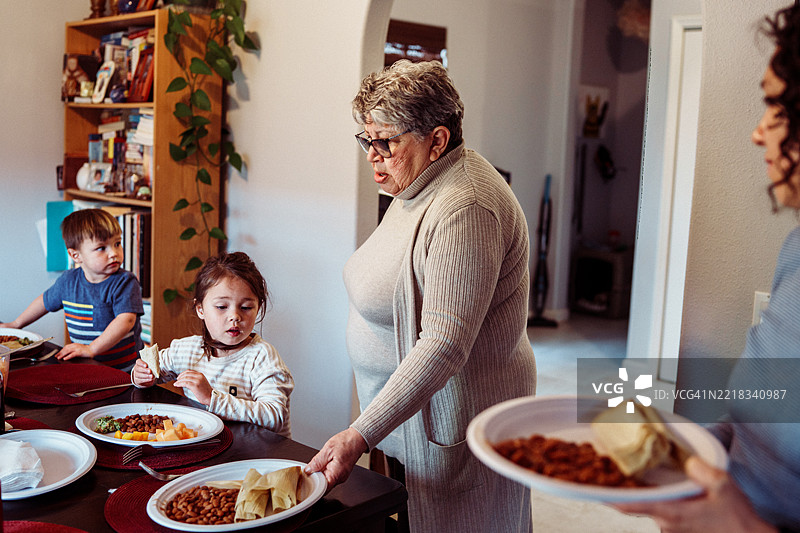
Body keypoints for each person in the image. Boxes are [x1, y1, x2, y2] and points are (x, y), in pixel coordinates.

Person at [305, 60, 537, 533]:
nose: (372, 156)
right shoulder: (418, 185)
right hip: (405, 425)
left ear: (437, 141)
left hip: (454, 424)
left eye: (386, 142)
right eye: (367, 139)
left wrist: (360, 433)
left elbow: (443, 344)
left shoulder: (466, 206)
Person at [615, 4, 800, 532]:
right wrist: (679, 457)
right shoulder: (795, 249)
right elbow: (748, 425)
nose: (758, 134)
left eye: (776, 108)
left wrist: (737, 525)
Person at [131, 252, 294, 437]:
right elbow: (152, 371)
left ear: (258, 308)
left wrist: (211, 398)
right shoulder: (187, 350)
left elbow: (274, 416)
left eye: (246, 307)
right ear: (200, 309)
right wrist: (140, 376)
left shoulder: (262, 357)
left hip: (257, 449)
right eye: (222, 307)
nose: (235, 316)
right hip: (211, 443)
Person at [0, 208, 143, 370]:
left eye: (117, 244)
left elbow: (126, 321)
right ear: (76, 256)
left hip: (125, 371)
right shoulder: (68, 281)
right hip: (88, 366)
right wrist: (16, 324)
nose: (114, 253)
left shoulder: (125, 282)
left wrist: (91, 349)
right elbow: (44, 302)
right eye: (102, 248)